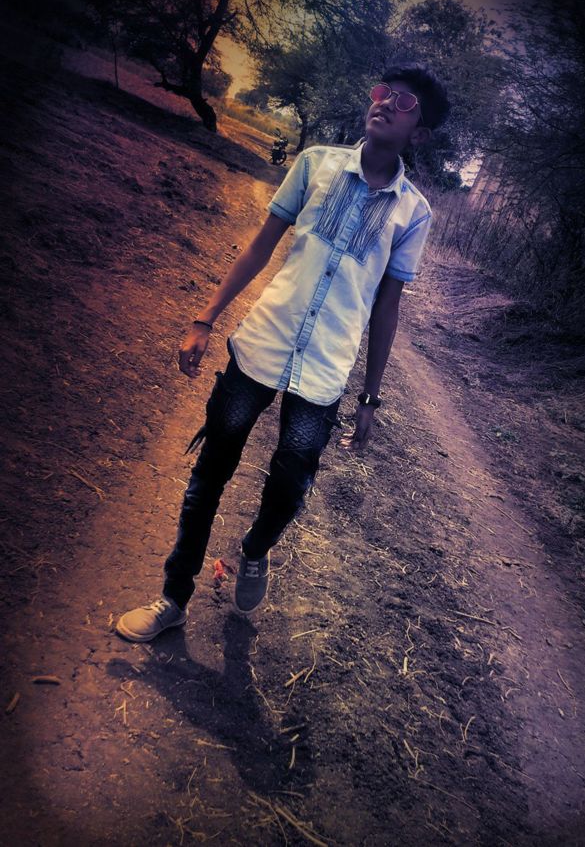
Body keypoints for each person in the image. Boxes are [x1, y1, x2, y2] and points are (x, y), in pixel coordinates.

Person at [115, 62, 450, 642]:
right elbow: (258, 249)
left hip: (325, 369)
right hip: (262, 346)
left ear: (419, 133)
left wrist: (370, 398)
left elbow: (387, 308)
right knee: (209, 475)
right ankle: (173, 598)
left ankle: (254, 550)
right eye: (382, 92)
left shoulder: (413, 212)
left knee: (292, 481)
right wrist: (204, 320)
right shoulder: (316, 164)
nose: (384, 103)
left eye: (403, 102)